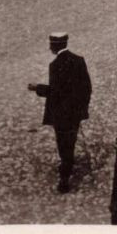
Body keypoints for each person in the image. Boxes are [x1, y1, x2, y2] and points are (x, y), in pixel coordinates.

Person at [29, 32, 92, 193]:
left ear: (55, 45)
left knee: (63, 146)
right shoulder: (79, 60)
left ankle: (64, 178)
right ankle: (66, 168)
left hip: (61, 114)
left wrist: (37, 88)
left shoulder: (55, 65)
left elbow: (56, 92)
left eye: (51, 44)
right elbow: (86, 88)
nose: (50, 47)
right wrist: (81, 108)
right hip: (75, 113)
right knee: (70, 142)